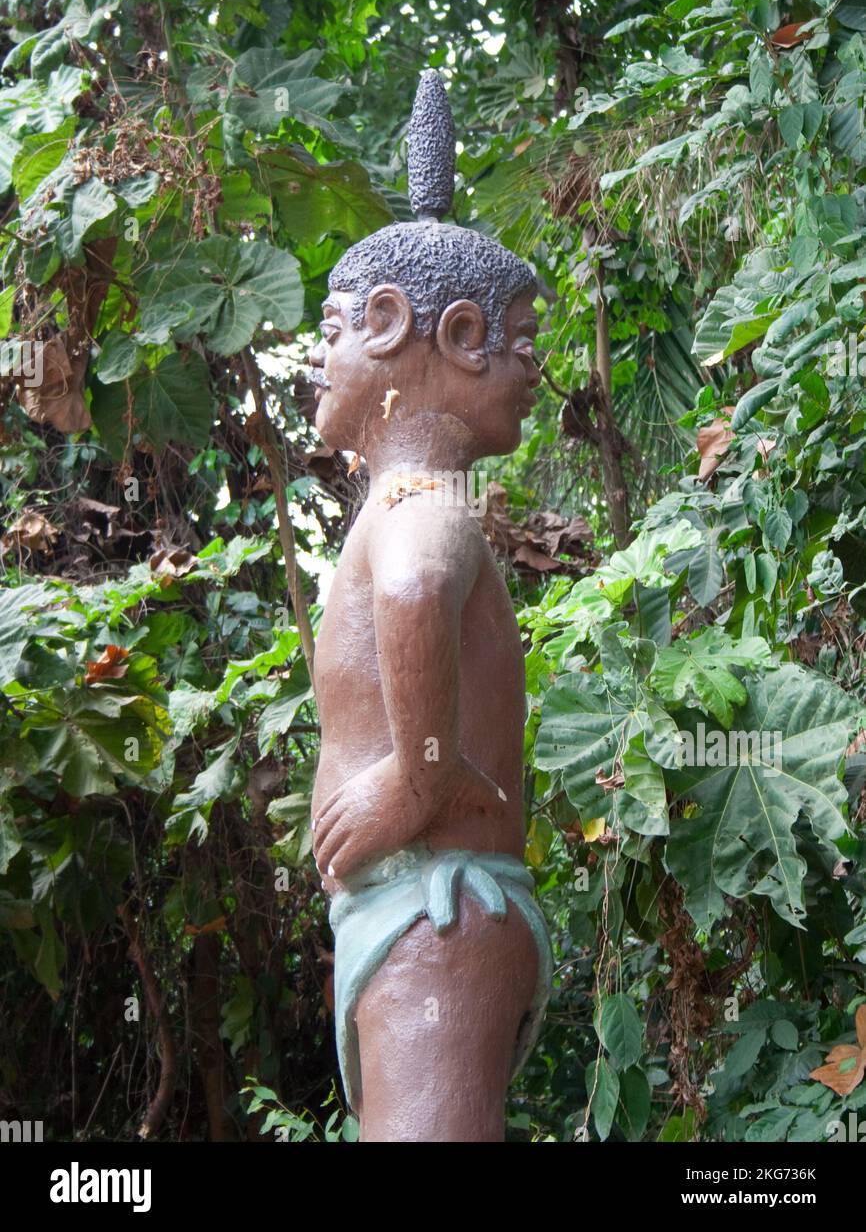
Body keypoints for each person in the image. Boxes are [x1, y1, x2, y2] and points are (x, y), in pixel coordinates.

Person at [307, 71, 552, 1143]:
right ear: (444, 336)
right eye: (525, 340)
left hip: (436, 904)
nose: (536, 366)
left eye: (328, 331)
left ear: (408, 329)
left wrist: (414, 777)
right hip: (423, 906)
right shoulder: (415, 501)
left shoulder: (420, 507)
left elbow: (412, 582)